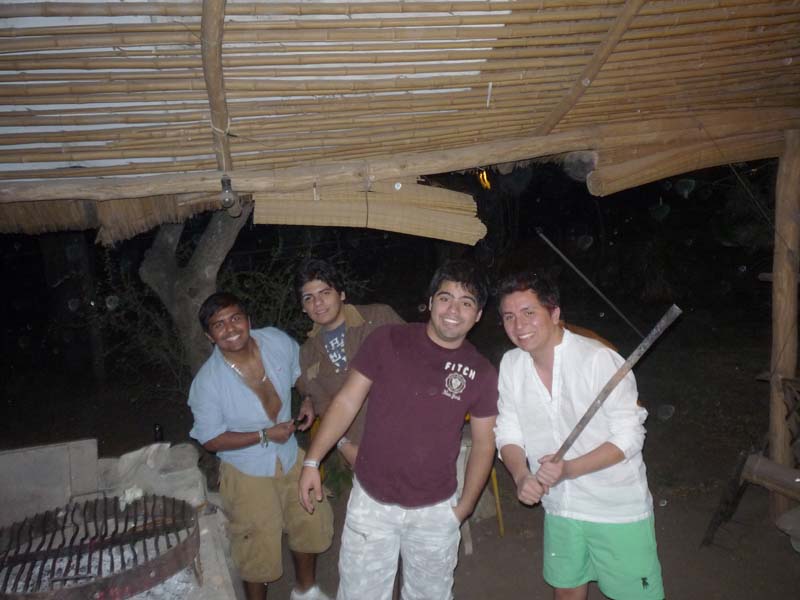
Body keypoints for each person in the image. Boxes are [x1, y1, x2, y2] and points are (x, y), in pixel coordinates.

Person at [298, 259, 498, 600]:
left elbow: (483, 445)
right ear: (431, 301)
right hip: (371, 504)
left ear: (478, 315)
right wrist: (312, 461)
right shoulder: (387, 339)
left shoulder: (481, 371)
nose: (454, 310)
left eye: (466, 303)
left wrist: (463, 509)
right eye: (446, 298)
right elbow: (346, 401)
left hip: (435, 510)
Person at [494, 272, 664, 600]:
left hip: (616, 507)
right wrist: (521, 475)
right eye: (509, 316)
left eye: (529, 312)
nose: (519, 325)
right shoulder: (512, 365)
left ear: (554, 313)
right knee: (567, 590)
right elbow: (508, 430)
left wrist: (569, 469)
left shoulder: (597, 359)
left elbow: (629, 436)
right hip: (560, 507)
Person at [188, 292, 333, 600]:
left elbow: (300, 371)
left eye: (235, 318)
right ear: (210, 336)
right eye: (219, 325)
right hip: (246, 468)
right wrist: (264, 435)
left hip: (289, 454)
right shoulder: (207, 383)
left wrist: (307, 398)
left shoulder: (275, 341)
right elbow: (210, 439)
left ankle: (305, 591)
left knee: (309, 520)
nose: (230, 329)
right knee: (256, 545)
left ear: (248, 320)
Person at [295, 257, 403, 466]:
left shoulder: (378, 318)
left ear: (342, 294)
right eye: (309, 298)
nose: (318, 303)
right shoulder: (307, 353)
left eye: (325, 293)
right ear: (303, 307)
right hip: (362, 451)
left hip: (409, 435)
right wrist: (345, 446)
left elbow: (419, 358)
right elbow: (323, 406)